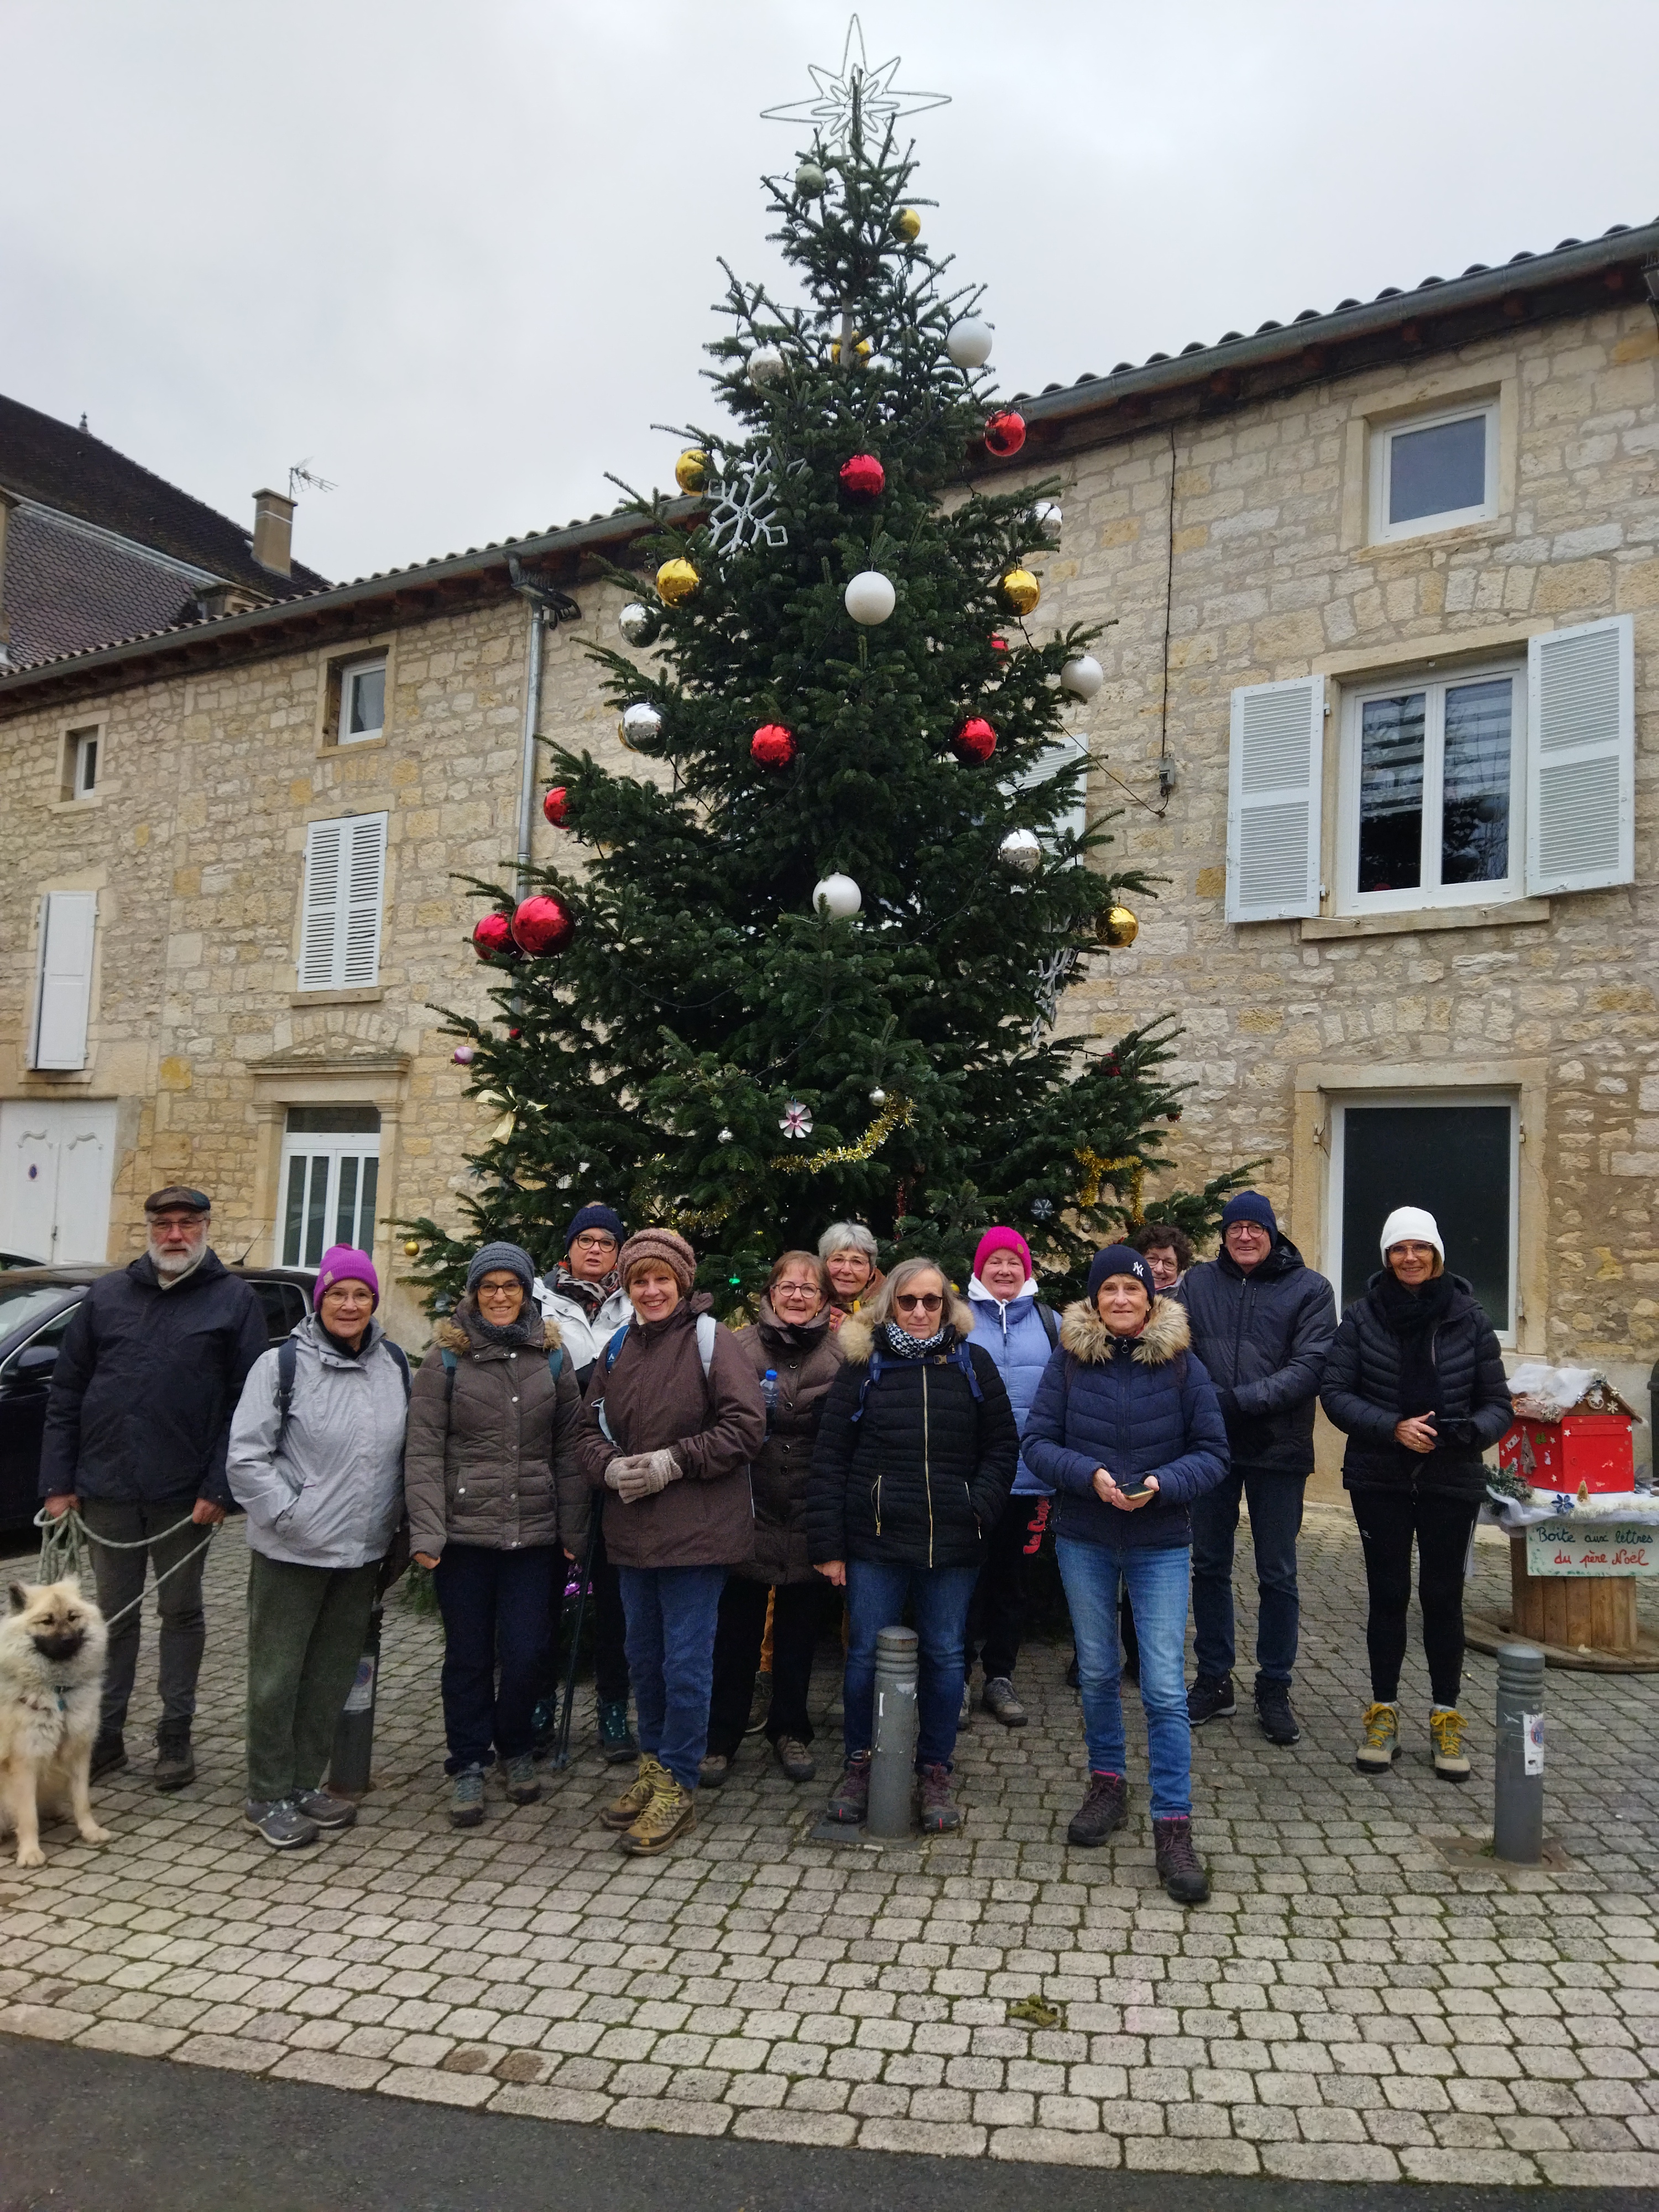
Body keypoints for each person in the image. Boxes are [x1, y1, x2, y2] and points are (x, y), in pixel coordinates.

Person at [39, 1186, 269, 1791]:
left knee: (181, 1612)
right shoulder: (109, 1295)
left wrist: (222, 1486)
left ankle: (175, 1734)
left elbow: (248, 1405)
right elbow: (67, 1393)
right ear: (150, 1230)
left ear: (205, 1227)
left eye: (186, 1223)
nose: (174, 1234)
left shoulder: (233, 1299)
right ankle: (106, 1735)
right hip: (106, 1487)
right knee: (111, 1615)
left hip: (184, 1495)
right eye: (164, 1223)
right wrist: (58, 1483)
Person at [1021, 1244, 1228, 1903]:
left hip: (1160, 1539)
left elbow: (1214, 1452)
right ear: (1094, 1299)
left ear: (1150, 1298)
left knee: (1165, 1687)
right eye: (1107, 1289)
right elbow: (1038, 1442)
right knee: (1099, 1670)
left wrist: (1165, 1483)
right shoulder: (1069, 1361)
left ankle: (1173, 1822)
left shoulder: (1182, 1364)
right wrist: (1092, 1477)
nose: (1119, 1300)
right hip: (1084, 1534)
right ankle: (1107, 1781)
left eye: (1130, 1290)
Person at [807, 1257, 1018, 1834]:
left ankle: (935, 1767)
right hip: (875, 1539)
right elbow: (830, 1457)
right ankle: (860, 1762)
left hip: (954, 1541)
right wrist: (829, 1544)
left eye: (932, 1300)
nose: (921, 1311)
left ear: (947, 1305)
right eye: (909, 1301)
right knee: (865, 1659)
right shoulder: (864, 1364)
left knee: (946, 1656)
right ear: (889, 1304)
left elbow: (1003, 1446)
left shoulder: (972, 1364)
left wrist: (981, 1504)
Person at [576, 1229, 765, 1855]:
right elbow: (587, 1427)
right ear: (627, 1289)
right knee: (644, 1659)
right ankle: (654, 1766)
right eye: (639, 1281)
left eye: (661, 1279)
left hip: (697, 1535)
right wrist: (607, 1465)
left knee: (686, 1665)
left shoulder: (715, 1343)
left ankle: (679, 1785)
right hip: (632, 1533)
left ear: (682, 1282)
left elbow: (745, 1427)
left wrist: (674, 1462)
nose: (651, 1291)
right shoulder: (617, 1346)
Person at [1320, 1207, 1511, 1783]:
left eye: (1420, 1248)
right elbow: (1335, 1393)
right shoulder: (1360, 1318)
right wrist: (1392, 1426)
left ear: (1436, 1255)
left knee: (1443, 1594)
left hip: (1451, 1476)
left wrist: (1472, 1431)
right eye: (1399, 1249)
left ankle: (1446, 1714)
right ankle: (1383, 1713)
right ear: (1385, 1256)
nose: (1410, 1258)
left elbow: (1497, 1402)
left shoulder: (1470, 1317)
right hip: (1381, 1473)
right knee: (1388, 1592)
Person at [226, 1248, 410, 1849]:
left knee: (330, 1676)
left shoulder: (395, 1365)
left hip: (360, 1554)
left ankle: (305, 1783)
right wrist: (289, 1515)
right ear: (321, 1299)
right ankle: (267, 1793)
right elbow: (247, 1458)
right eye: (339, 1294)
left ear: (374, 1301)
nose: (350, 1305)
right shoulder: (280, 1365)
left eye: (361, 1294)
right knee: (277, 1677)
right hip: (292, 1551)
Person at [406, 1242, 586, 1827]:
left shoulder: (552, 1359)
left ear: (528, 1291)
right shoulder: (446, 1360)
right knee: (468, 1655)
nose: (501, 1296)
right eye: (490, 1286)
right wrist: (427, 1531)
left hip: (534, 1537)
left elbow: (569, 1447)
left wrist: (573, 1527)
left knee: (530, 1652)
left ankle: (514, 1747)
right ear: (475, 1293)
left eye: (512, 1286)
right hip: (464, 1537)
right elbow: (424, 1450)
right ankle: (467, 1761)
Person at [1178, 1191, 1337, 1747]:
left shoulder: (1311, 1289)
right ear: (1224, 1234)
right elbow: (1178, 1347)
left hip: (1278, 1446)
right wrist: (1209, 1404)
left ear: (1273, 1233)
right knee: (1209, 1563)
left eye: (1255, 1227)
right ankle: (1213, 1678)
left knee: (1278, 1572)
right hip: (1211, 1447)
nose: (1245, 1236)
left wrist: (1236, 1401)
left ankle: (1274, 1685)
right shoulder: (1197, 1283)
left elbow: (1310, 1366)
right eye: (1235, 1227)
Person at [703, 1251, 844, 1784]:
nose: (797, 1297)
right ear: (769, 1292)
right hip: (747, 1506)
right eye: (787, 1286)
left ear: (825, 1300)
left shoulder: (843, 1353)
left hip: (810, 1507)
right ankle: (722, 1736)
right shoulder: (736, 1345)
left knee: (798, 1633)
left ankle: (791, 1730)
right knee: (735, 1631)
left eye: (809, 1289)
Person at [534, 1203, 635, 1764]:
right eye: (586, 1240)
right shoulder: (536, 1300)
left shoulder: (635, 1301)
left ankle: (615, 1707)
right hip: (552, 1464)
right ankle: (540, 1703)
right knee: (545, 1596)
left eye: (607, 1242)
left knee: (618, 1600)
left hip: (616, 1467)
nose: (596, 1250)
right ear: (569, 1247)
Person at [962, 1228, 1059, 1728]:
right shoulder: (956, 1317)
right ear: (979, 1268)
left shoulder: (1050, 1322)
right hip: (973, 1479)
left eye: (1013, 1262)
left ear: (1027, 1270)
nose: (1004, 1270)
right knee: (965, 1581)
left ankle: (1000, 1676)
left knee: (1012, 1584)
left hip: (1032, 1480)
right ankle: (957, 1677)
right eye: (994, 1261)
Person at [818, 1223, 884, 1334]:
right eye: (838, 1260)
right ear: (823, 1266)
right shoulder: (805, 1303)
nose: (846, 1270)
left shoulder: (889, 1311)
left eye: (857, 1262)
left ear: (871, 1272)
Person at [1131, 1220, 1194, 1294]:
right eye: (1152, 1259)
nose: (1159, 1270)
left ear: (1179, 1269)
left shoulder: (1190, 1299)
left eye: (1169, 1263)